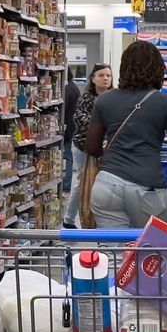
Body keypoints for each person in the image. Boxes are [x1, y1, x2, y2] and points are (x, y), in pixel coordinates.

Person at [85, 41, 167, 229]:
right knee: (149, 251)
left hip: (108, 184)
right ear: (157, 69)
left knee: (114, 251)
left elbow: (92, 148)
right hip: (148, 189)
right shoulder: (164, 103)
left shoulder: (105, 100)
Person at [62, 63, 112, 229]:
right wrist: (102, 128)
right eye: (101, 75)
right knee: (83, 181)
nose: (105, 78)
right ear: (93, 78)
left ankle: (99, 219)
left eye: (108, 76)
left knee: (105, 182)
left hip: (108, 147)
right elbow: (81, 121)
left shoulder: (115, 97)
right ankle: (69, 219)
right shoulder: (86, 98)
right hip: (84, 145)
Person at [61, 73, 80, 195]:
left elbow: (65, 107)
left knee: (68, 158)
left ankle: (66, 187)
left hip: (67, 127)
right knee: (69, 157)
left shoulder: (67, 88)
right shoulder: (75, 87)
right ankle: (66, 186)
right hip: (72, 126)